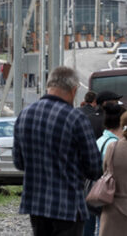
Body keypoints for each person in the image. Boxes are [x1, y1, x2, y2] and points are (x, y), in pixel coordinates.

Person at [14, 66, 102, 235]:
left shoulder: (25, 115)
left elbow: (19, 162)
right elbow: (94, 167)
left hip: (36, 205)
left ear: (49, 85)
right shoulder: (76, 118)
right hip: (68, 206)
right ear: (74, 89)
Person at [89, 102, 125, 236]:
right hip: (110, 196)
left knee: (101, 226)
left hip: (99, 192)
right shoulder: (114, 145)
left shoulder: (100, 141)